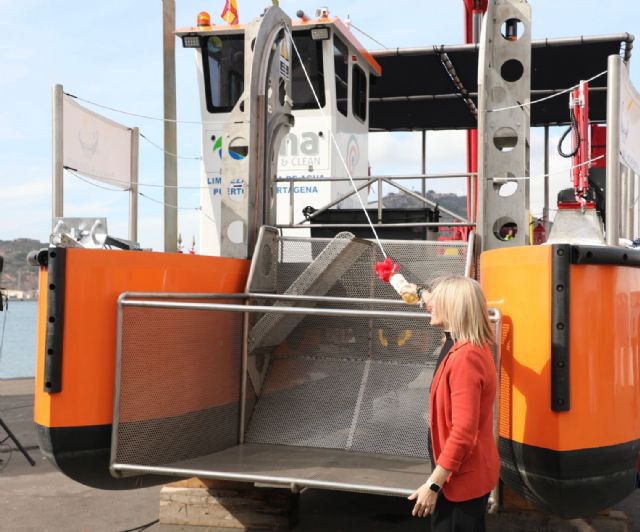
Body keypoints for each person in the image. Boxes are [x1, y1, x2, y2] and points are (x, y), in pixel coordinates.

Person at [405, 276, 500, 531]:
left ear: (454, 309)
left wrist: (433, 485)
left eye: (438, 301)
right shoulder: (466, 343)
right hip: (460, 474)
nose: (430, 305)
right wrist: (415, 290)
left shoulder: (465, 358)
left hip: (460, 480)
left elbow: (463, 432)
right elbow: (430, 303)